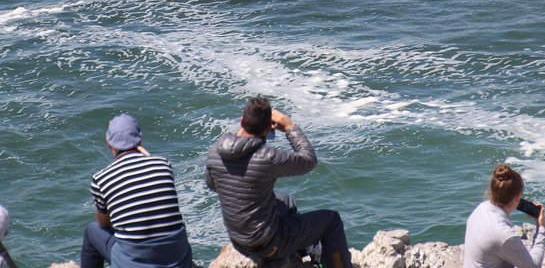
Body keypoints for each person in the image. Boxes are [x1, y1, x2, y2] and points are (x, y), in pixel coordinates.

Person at [205, 96, 352, 268]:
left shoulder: (216, 150)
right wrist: (290, 127)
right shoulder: (267, 157)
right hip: (266, 245)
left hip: (239, 240)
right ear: (269, 129)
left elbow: (212, 184)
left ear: (241, 121)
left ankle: (301, 253)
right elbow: (309, 161)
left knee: (285, 201)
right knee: (332, 221)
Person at [80, 114, 193, 268]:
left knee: (91, 230)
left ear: (109, 144)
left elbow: (103, 223)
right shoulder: (163, 165)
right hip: (179, 260)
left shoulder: (101, 179)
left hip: (134, 263)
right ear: (140, 141)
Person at [464, 164, 545, 268]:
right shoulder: (505, 235)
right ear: (517, 198)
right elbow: (533, 266)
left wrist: (516, 201)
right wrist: (541, 228)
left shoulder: (480, 209)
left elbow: (505, 199)